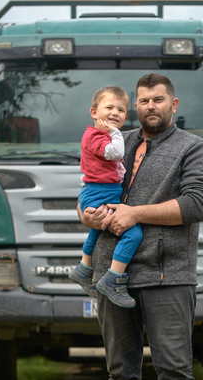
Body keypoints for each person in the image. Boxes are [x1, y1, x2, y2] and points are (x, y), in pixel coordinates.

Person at [78, 74, 203, 379]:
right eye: (143, 101)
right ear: (135, 107)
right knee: (120, 373)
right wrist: (85, 216)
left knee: (174, 371)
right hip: (111, 278)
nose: (150, 106)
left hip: (166, 276)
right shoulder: (116, 140)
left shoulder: (193, 148)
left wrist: (135, 214)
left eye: (158, 99)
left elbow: (197, 204)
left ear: (173, 104)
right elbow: (89, 186)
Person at [69, 86, 143, 308]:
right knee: (134, 234)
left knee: (96, 232)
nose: (115, 113)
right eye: (109, 107)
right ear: (94, 112)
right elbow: (115, 153)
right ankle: (113, 278)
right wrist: (116, 133)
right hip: (101, 192)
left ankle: (83, 269)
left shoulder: (99, 135)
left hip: (102, 192)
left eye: (121, 110)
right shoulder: (96, 135)